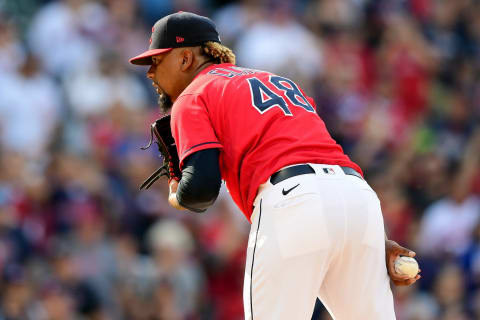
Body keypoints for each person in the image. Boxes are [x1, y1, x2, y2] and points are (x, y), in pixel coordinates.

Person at [129, 11, 420, 320]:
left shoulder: (194, 94)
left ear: (186, 58)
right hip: (358, 200)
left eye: (158, 61)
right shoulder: (277, 81)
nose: (151, 73)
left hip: (293, 201)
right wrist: (368, 242)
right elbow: (318, 158)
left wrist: (177, 194)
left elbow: (200, 189)